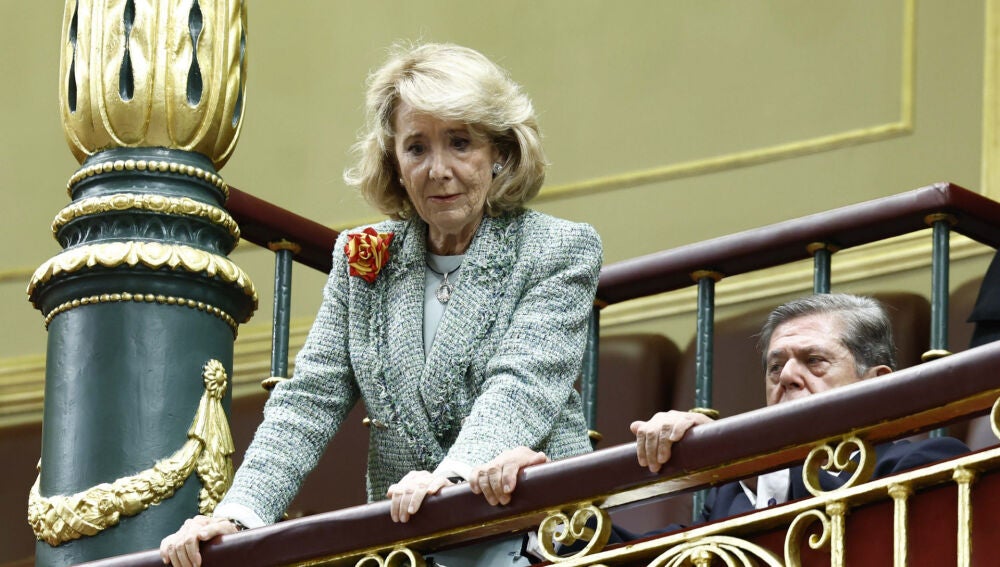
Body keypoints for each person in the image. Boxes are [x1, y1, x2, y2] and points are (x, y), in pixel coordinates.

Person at [160, 42, 601, 567]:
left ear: (500, 152)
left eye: (460, 143)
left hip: (544, 533)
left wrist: (450, 481)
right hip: (416, 545)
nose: (438, 169)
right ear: (394, 163)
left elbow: (522, 386)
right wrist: (237, 515)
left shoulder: (559, 248)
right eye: (417, 147)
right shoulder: (363, 258)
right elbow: (308, 403)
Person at [477, 294, 968, 531]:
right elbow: (655, 558)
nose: (789, 377)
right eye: (776, 366)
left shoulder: (927, 464)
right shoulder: (731, 494)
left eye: (814, 361)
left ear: (876, 384)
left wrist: (743, 463)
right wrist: (550, 509)